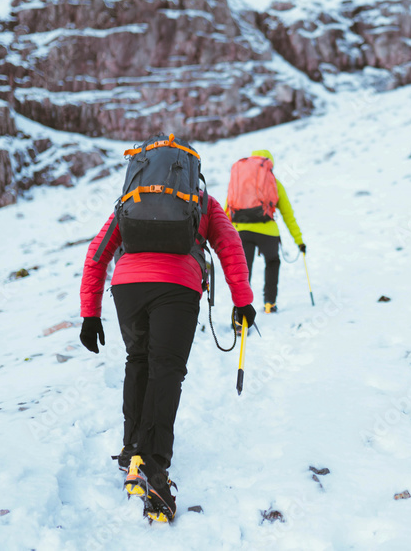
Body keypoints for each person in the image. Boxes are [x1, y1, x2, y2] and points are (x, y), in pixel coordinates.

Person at [79, 188, 256, 522]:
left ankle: (132, 448)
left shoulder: (135, 198)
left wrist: (90, 313)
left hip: (127, 286)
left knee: (139, 360)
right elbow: (230, 247)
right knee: (167, 368)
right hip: (178, 282)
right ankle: (153, 466)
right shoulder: (201, 200)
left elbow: (98, 251)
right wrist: (242, 299)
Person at [225, 149, 304, 314]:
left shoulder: (240, 181)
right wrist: (299, 241)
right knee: (272, 262)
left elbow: (227, 209)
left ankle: (240, 316)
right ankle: (270, 303)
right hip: (269, 233)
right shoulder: (274, 182)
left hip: (242, 232)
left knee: (244, 272)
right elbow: (288, 215)